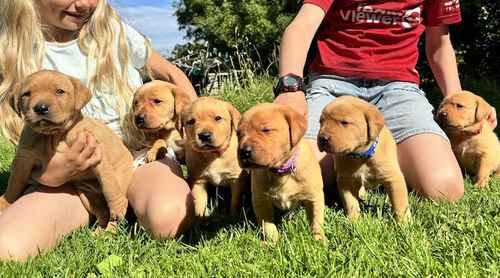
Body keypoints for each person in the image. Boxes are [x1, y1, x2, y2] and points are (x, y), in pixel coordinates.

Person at [0, 0, 195, 261]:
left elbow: (172, 74)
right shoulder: (14, 48)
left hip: (140, 157)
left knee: (168, 219)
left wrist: (194, 122)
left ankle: (127, 204)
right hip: (66, 179)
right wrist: (50, 176)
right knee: (7, 247)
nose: (82, 3)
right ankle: (97, 208)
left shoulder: (113, 32)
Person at [274, 1, 497, 202]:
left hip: (398, 89)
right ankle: (357, 161)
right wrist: (290, 87)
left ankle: (380, 155)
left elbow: (439, 45)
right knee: (295, 176)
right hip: (333, 85)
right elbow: (301, 27)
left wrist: (460, 101)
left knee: (443, 188)